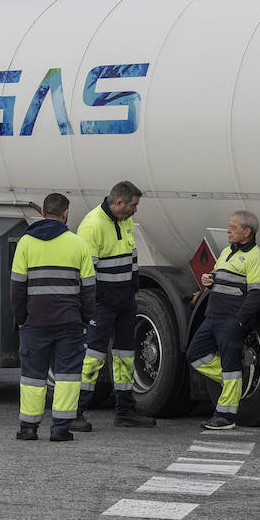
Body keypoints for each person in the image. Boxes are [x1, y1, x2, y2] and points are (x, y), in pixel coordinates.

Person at [10, 192, 96, 441]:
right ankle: (60, 429)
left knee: (32, 377)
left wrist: (21, 317)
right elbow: (89, 289)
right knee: (68, 376)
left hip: (34, 321)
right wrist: (86, 319)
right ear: (66, 213)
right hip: (69, 322)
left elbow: (17, 287)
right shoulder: (78, 243)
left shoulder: (26, 243)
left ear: (43, 212)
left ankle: (28, 428)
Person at [73, 180, 157, 430]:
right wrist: (94, 304)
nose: (135, 210)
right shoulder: (92, 225)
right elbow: (86, 272)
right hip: (102, 304)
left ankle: (125, 411)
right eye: (133, 205)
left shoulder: (124, 220)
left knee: (125, 356)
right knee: (93, 356)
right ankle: (75, 412)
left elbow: (132, 257)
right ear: (119, 202)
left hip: (124, 302)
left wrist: (132, 289)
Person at [188, 210, 260, 430]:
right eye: (229, 226)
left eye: (233, 227)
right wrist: (208, 279)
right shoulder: (226, 251)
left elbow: (257, 294)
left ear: (247, 231)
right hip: (212, 316)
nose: (228, 230)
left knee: (231, 366)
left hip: (231, 321)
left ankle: (225, 417)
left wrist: (240, 320)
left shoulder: (256, 258)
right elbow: (218, 278)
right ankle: (233, 381)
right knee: (194, 354)